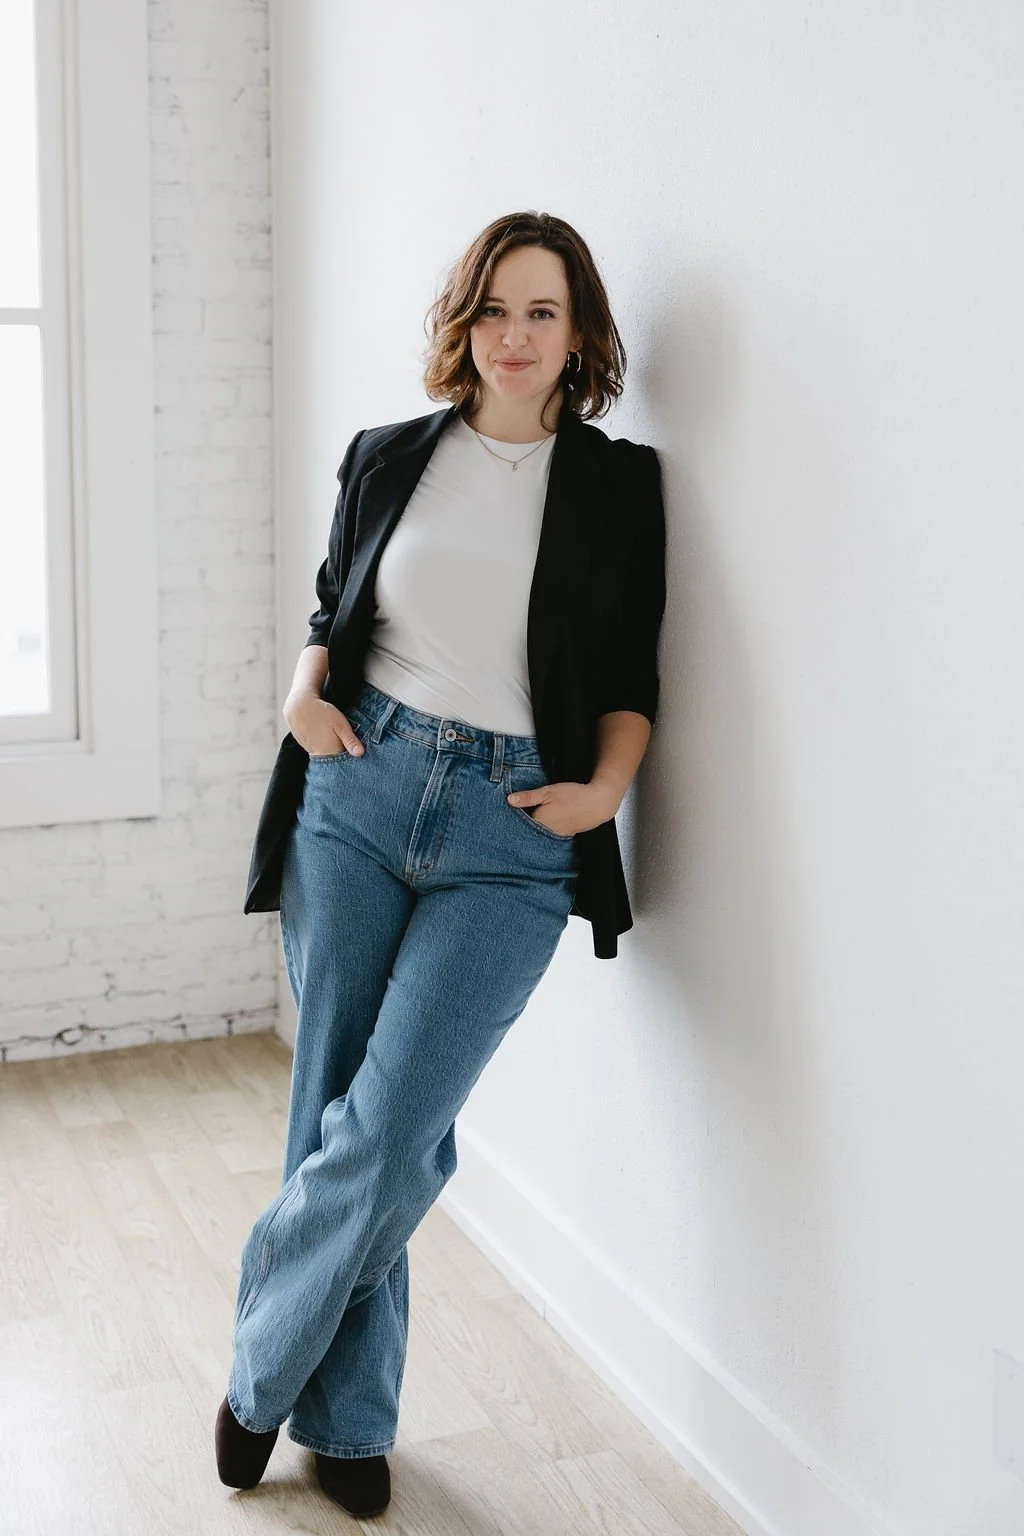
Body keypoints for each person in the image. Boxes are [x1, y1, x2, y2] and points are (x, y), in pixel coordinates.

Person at [214, 211, 667, 1517]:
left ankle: (258, 1378)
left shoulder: (619, 486)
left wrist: (605, 792)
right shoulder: (390, 455)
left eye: (544, 313)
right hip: (360, 792)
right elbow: (330, 608)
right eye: (495, 309)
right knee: (333, 1118)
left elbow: (632, 675)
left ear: (578, 335)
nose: (515, 337)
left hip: (510, 835)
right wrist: (302, 695)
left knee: (395, 1132)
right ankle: (348, 1424)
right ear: (460, 321)